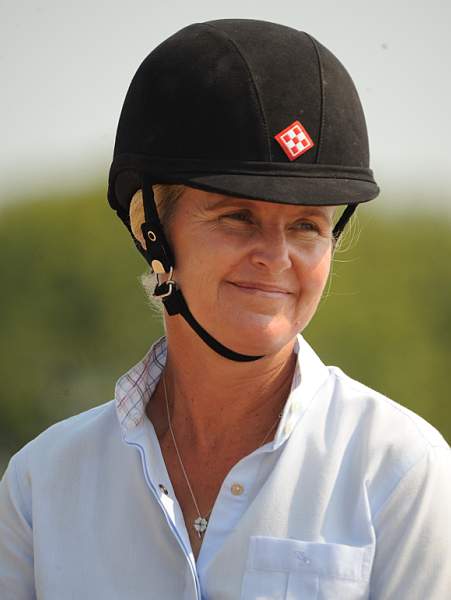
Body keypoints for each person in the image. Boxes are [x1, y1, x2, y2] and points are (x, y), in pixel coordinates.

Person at [0, 18, 450, 600]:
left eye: (307, 226)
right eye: (237, 217)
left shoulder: (405, 472)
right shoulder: (41, 485)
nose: (276, 257)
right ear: (150, 228)